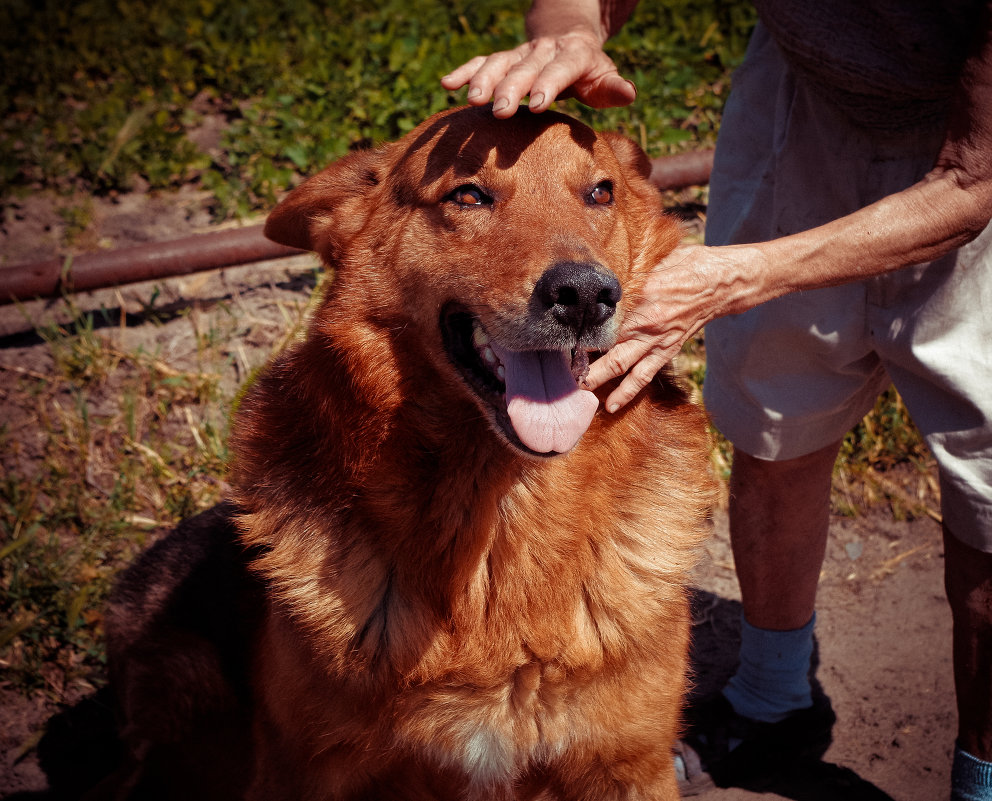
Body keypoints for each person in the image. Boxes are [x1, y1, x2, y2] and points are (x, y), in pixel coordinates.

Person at [441, 1, 992, 798]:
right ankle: (773, 699)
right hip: (811, 88)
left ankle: (982, 769)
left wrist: (742, 274)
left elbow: (976, 179)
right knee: (772, 410)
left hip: (979, 148)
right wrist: (572, 29)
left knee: (987, 480)